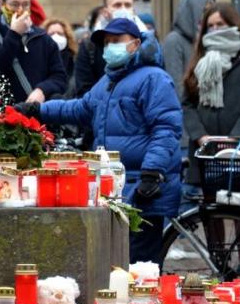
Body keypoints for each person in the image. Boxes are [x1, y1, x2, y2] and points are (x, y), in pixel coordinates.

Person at [29, 18, 183, 262]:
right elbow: (79, 109)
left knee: (138, 265)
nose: (111, 47)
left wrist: (152, 171)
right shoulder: (109, 81)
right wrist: (38, 110)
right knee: (119, 262)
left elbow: (166, 128)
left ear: (135, 44)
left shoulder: (153, 78)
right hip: (119, 186)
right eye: (107, 42)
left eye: (117, 41)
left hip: (143, 186)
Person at [181, 3, 240, 189]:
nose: (215, 30)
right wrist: (200, 135)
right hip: (204, 149)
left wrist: (235, 136)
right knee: (208, 210)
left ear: (234, 25)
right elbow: (187, 103)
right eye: (210, 26)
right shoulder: (201, 59)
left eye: (220, 24)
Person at [72, 0, 146, 99]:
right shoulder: (90, 45)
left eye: (127, 5)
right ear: (105, 12)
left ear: (134, 10)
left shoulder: (147, 43)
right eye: (117, 5)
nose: (123, 9)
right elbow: (84, 91)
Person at [163, 0, 215, 98]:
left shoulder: (207, 40)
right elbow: (176, 86)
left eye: (210, 12)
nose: (207, 17)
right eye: (204, 11)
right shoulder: (174, 41)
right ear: (190, 12)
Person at [43, 19, 77, 95]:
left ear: (67, 37)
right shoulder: (40, 61)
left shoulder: (75, 61)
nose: (56, 36)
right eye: (51, 34)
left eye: (60, 34)